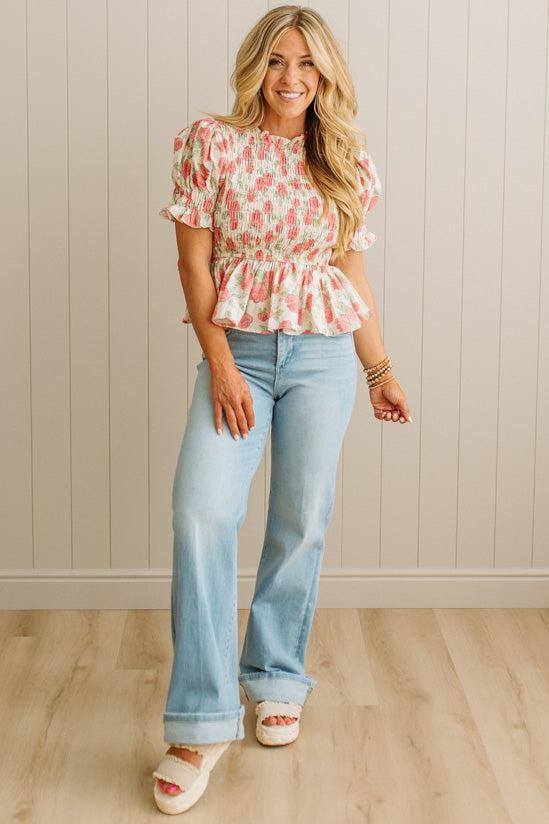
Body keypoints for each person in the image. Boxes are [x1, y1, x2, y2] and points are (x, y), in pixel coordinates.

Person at [152, 4, 412, 814]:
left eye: (306, 63)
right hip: (239, 357)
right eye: (275, 61)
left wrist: (378, 371)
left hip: (326, 356)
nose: (290, 77)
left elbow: (350, 280)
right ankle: (199, 723)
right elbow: (195, 269)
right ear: (253, 67)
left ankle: (273, 677)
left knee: (299, 518)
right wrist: (220, 363)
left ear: (325, 72)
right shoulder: (213, 143)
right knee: (201, 514)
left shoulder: (343, 158)